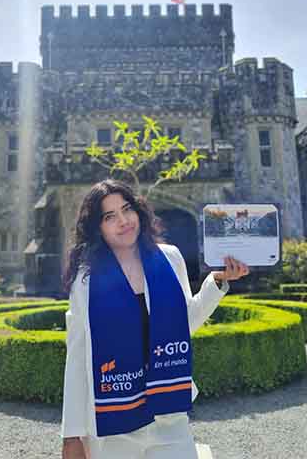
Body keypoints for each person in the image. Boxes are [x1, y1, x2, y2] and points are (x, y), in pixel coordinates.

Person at [60, 179, 250, 459]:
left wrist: (217, 282)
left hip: (168, 416)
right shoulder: (86, 279)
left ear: (138, 211)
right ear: (97, 227)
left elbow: (185, 323)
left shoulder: (170, 258)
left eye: (127, 209)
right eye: (110, 216)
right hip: (112, 420)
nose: (123, 221)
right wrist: (71, 433)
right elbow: (77, 355)